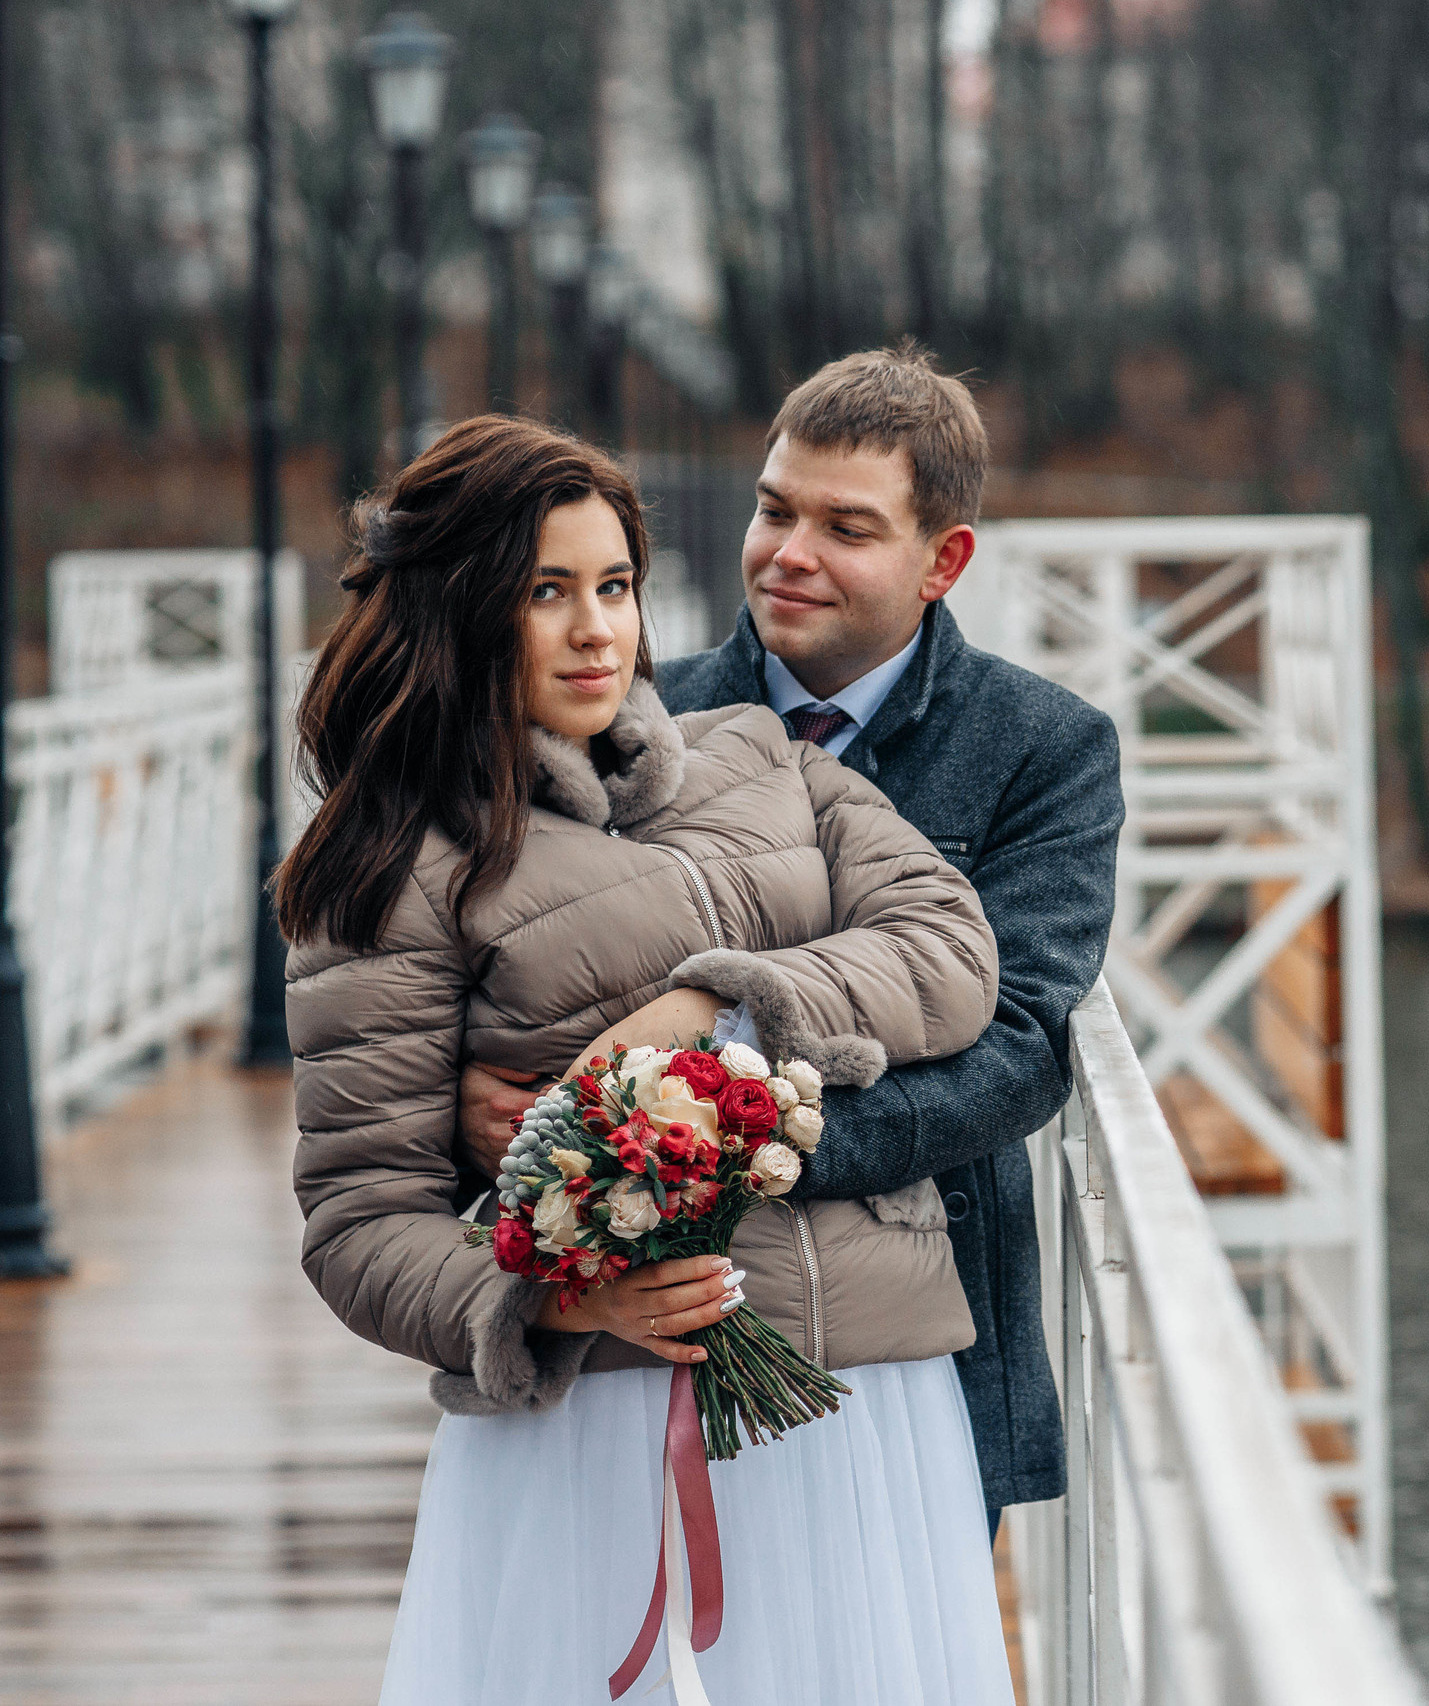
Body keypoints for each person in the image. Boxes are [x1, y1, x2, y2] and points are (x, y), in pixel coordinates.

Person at [283, 415, 1014, 1703]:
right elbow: (358, 1220)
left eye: (613, 585)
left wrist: (710, 1011)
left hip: (873, 1404)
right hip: (606, 1428)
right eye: (543, 593)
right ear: (459, 608)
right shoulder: (397, 869)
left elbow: (951, 954)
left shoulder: (763, 754)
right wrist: (555, 1302)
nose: (595, 632)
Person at [459, 344, 1126, 1524]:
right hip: (630, 1330)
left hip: (919, 1339)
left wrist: (711, 1141)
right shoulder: (632, 702)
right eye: (774, 508)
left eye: (847, 527)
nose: (789, 553)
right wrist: (471, 1102)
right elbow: (509, 956)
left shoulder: (1042, 745)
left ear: (944, 559)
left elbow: (1018, 1045)